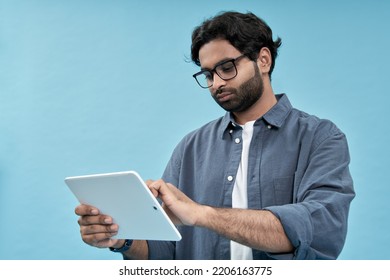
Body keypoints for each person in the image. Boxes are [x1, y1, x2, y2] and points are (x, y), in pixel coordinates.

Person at [75, 11, 355, 260]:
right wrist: (123, 239)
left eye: (227, 67)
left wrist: (202, 214)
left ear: (264, 60)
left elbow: (320, 230)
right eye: (208, 74)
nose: (217, 83)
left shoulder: (321, 137)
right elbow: (164, 252)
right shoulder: (190, 148)